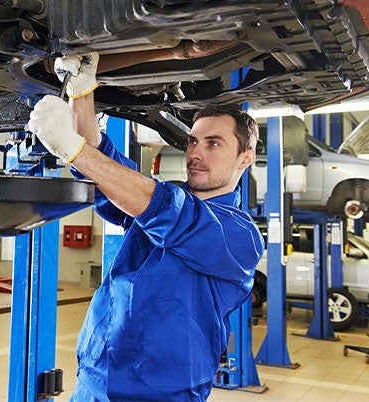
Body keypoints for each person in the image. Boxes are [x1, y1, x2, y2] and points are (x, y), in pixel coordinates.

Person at [28, 53, 264, 401]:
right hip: (97, 377)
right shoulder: (155, 197)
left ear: (245, 158)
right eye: (193, 141)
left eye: (213, 143)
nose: (196, 153)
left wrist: (71, 148)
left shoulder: (240, 236)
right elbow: (108, 172)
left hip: (162, 392)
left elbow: (165, 211)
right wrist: (82, 92)